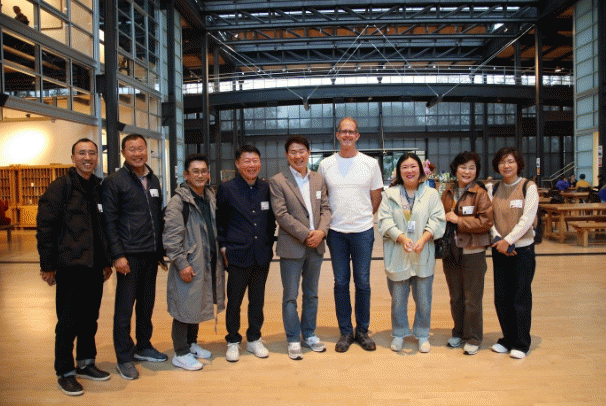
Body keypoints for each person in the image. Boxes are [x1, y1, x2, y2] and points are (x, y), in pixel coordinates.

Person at [36, 138, 112, 396]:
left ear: (97, 158)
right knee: (68, 322)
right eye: (82, 153)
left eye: (92, 153)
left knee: (90, 319)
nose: (87, 157)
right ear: (73, 158)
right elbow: (46, 227)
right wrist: (48, 264)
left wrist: (105, 261)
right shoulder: (61, 187)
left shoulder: (98, 187)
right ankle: (65, 372)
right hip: (70, 266)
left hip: (94, 267)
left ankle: (86, 363)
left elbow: (101, 228)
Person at [102, 134, 167, 380]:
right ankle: (124, 357)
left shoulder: (153, 179)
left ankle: (143, 345)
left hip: (150, 254)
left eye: (141, 148)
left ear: (146, 151)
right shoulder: (114, 181)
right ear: (123, 153)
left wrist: (160, 251)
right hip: (128, 255)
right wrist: (117, 255)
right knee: (124, 308)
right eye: (132, 149)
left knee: (147, 304)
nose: (137, 153)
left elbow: (156, 216)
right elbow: (109, 221)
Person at [318, 117, 383, 352]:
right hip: (336, 233)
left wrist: (362, 216)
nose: (347, 135)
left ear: (357, 136)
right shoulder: (326, 164)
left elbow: (376, 197)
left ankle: (362, 331)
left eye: (351, 132)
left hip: (363, 231)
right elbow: (323, 197)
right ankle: (345, 332)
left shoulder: (370, 163)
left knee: (363, 282)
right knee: (341, 282)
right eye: (343, 131)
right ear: (337, 135)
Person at [269, 136, 331, 360]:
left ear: (308, 152)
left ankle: (310, 334)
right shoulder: (278, 181)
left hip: (316, 245)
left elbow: (326, 209)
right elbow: (281, 215)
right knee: (290, 296)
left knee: (312, 294)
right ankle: (293, 338)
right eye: (293, 152)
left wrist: (321, 232)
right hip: (293, 246)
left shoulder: (318, 179)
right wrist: (307, 235)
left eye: (302, 151)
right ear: (287, 155)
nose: (298, 156)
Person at [378, 152, 446, 353]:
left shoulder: (431, 194)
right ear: (399, 171)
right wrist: (401, 237)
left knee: (424, 299)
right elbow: (384, 221)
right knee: (398, 299)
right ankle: (399, 333)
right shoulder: (390, 195)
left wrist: (424, 239)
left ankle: (422, 333)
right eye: (405, 167)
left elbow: (437, 219)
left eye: (413, 166)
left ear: (421, 170)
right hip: (398, 253)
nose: (409, 170)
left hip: (422, 253)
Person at [163, 154, 225, 371]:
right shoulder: (178, 202)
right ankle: (180, 352)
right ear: (186, 175)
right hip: (190, 262)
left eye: (203, 171)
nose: (200, 175)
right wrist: (182, 263)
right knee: (184, 306)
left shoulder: (210, 197)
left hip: (207, 261)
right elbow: (171, 237)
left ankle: (191, 344)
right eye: (195, 171)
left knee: (196, 303)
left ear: (208, 174)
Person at [216, 144, 276, 362]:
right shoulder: (227, 188)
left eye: (255, 161)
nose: (252, 165)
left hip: (261, 254)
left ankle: (254, 338)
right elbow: (220, 221)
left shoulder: (266, 188)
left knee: (257, 301)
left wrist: (268, 244)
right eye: (247, 161)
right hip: (237, 254)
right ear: (237, 164)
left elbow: (271, 221)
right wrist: (223, 246)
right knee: (234, 301)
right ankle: (233, 340)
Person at [440, 152, 493, 355]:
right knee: (456, 296)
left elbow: (486, 222)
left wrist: (459, 220)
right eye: (463, 167)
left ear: (476, 171)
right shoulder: (448, 191)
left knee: (472, 298)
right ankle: (458, 332)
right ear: (455, 169)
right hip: (450, 249)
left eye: (472, 168)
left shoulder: (480, 193)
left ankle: (473, 337)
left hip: (473, 250)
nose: (467, 171)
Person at [489, 147, 539, 359]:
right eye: (502, 162)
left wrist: (509, 240)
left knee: (520, 297)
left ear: (518, 163)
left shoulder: (528, 187)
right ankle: (507, 338)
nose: (506, 166)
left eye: (510, 161)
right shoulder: (493, 188)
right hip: (499, 249)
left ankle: (521, 342)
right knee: (501, 297)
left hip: (523, 250)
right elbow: (489, 218)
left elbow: (527, 219)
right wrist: (498, 239)